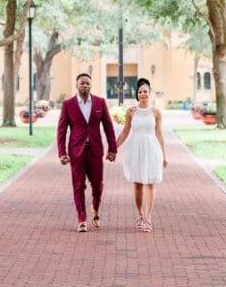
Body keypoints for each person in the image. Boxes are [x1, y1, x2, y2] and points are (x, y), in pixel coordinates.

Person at [57, 73, 118, 233]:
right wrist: (62, 153)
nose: (85, 85)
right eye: (82, 83)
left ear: (91, 85)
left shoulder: (100, 102)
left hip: (95, 151)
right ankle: (81, 218)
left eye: (87, 83)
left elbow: (108, 127)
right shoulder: (68, 105)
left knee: (97, 185)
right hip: (76, 152)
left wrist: (113, 149)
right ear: (77, 85)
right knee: (78, 185)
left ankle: (96, 210)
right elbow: (61, 130)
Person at [116, 77, 168, 232]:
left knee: (150, 183)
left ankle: (148, 217)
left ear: (149, 93)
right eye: (140, 92)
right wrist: (114, 148)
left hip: (152, 150)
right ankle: (139, 215)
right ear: (137, 94)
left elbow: (159, 134)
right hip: (135, 149)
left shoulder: (156, 112)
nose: (143, 94)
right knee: (138, 183)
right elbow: (125, 132)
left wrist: (164, 156)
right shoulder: (131, 112)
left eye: (145, 91)